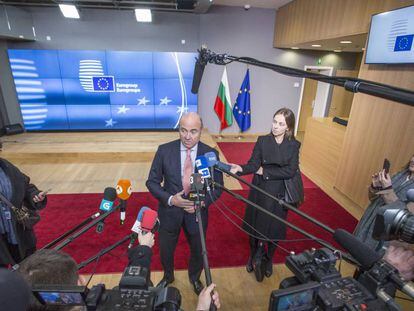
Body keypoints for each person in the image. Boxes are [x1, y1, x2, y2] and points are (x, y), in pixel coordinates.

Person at [146, 112, 223, 295]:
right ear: (179, 129)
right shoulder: (164, 150)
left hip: (197, 213)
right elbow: (152, 182)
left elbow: (218, 188)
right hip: (169, 211)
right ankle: (168, 276)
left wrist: (202, 203)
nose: (188, 136)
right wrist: (172, 199)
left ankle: (195, 277)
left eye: (193, 131)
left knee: (198, 249)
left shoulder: (211, 155)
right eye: (183, 130)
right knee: (165, 249)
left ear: (201, 131)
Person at [230, 108, 301, 279]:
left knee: (275, 229)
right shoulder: (263, 141)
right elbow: (254, 164)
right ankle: (253, 255)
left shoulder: (294, 145)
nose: (276, 126)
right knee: (255, 226)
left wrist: (266, 172)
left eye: (281, 124)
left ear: (288, 128)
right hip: (260, 189)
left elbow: (291, 171)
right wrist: (241, 169)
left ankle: (269, 259)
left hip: (279, 193)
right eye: (274, 122)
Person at [353, 154, 414, 252]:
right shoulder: (400, 175)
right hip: (370, 220)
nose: (412, 160)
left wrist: (387, 189)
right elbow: (374, 200)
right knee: (356, 252)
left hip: (387, 233)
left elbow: (404, 216)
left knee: (368, 260)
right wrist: (375, 187)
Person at [0, 157, 47, 267]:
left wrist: (35, 196)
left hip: (18, 233)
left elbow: (26, 187)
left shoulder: (6, 167)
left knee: (27, 272)